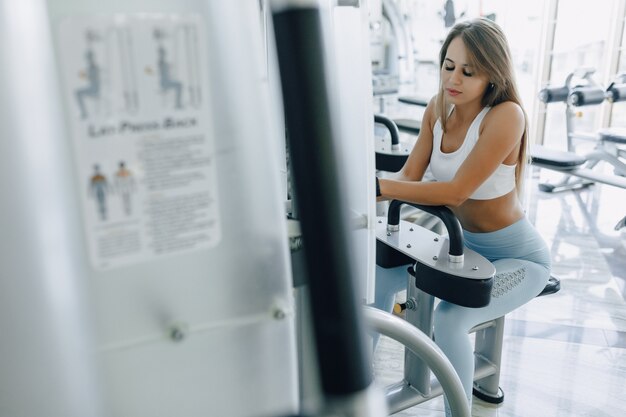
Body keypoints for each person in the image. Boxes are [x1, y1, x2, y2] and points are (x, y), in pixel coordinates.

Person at [374, 18, 551, 415]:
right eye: (449, 65)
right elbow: (409, 175)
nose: (454, 78)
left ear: (493, 74)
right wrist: (373, 197)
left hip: (519, 259)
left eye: (469, 71)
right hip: (463, 248)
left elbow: (455, 192)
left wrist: (381, 188)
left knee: (450, 322)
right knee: (381, 278)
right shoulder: (438, 107)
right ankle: (358, 389)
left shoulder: (507, 116)